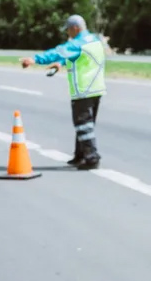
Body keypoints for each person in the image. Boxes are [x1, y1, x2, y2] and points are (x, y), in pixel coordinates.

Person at [20, 15, 106, 170]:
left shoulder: (78, 43)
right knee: (86, 125)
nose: (67, 34)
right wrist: (60, 64)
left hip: (83, 89)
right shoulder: (93, 40)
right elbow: (79, 57)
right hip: (96, 88)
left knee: (83, 125)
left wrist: (35, 60)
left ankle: (92, 158)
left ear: (75, 28)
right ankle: (80, 155)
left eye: (68, 30)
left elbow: (60, 51)